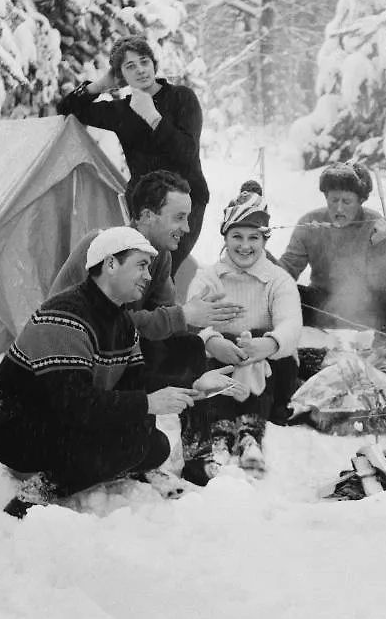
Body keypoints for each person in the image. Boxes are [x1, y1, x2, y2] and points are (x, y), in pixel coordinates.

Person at [0, 227, 203, 518]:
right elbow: (74, 405)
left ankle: (98, 466)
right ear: (111, 264)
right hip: (18, 429)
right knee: (128, 445)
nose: (148, 276)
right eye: (141, 265)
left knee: (155, 446)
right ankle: (37, 492)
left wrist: (194, 383)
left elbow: (136, 383)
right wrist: (146, 404)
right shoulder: (65, 315)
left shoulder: (122, 321)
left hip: (62, 418)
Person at [49, 170, 241, 389]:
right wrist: (183, 315)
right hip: (73, 358)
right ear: (148, 216)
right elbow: (106, 325)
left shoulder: (160, 255)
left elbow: (165, 315)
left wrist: (207, 335)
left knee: (190, 346)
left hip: (116, 351)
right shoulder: (103, 247)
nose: (187, 228)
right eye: (179, 217)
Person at [56, 35, 207, 275]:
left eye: (144, 61)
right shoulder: (122, 111)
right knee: (138, 273)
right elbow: (66, 109)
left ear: (154, 64)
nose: (140, 70)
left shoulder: (182, 97)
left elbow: (187, 153)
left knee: (162, 272)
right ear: (121, 75)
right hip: (144, 207)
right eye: (130, 66)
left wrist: (154, 118)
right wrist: (100, 85)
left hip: (186, 202)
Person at [183, 186, 303, 480]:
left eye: (254, 237)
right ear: (225, 237)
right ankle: (221, 436)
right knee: (210, 357)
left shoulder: (277, 280)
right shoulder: (209, 277)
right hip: (220, 363)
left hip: (271, 371)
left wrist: (268, 344)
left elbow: (291, 324)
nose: (245, 245)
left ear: (264, 240)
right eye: (237, 236)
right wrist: (213, 341)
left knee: (259, 348)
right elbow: (193, 322)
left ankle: (250, 434)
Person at [278, 162, 386, 337]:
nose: (339, 208)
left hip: (362, 305)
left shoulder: (374, 223)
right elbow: (288, 269)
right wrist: (266, 269)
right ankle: (298, 342)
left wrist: (379, 245)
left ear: (360, 201)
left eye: (347, 201)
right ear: (326, 197)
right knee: (289, 295)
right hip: (321, 302)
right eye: (334, 200)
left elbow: (382, 284)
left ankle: (381, 349)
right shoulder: (310, 222)